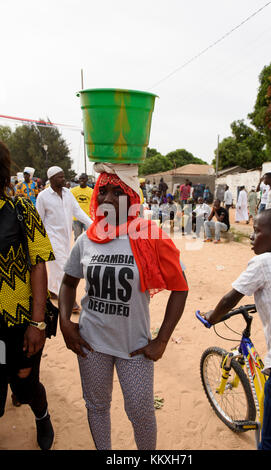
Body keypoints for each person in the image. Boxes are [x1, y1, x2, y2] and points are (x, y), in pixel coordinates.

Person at [58, 168, 188, 450]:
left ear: (133, 198)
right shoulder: (86, 239)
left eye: (118, 192)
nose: (107, 198)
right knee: (97, 406)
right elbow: (68, 283)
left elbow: (180, 286)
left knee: (141, 412)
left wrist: (162, 340)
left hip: (135, 348)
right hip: (91, 344)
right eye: (103, 191)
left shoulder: (149, 236)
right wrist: (65, 323)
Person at [203, 208, 271, 450]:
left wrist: (212, 317)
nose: (251, 237)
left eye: (257, 232)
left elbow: (229, 299)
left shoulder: (262, 262)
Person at [0, 141, 55, 450]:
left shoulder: (21, 209)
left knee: (24, 383)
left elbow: (38, 264)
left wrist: (38, 323)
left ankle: (42, 415)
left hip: (19, 321)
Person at [36, 166, 92, 306]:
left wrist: (93, 225)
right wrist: (39, 241)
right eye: (60, 177)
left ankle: (52, 290)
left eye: (63, 176)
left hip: (66, 237)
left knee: (58, 266)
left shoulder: (68, 193)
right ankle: (68, 300)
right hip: (51, 237)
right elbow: (39, 220)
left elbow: (78, 212)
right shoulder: (43, 196)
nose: (63, 179)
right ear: (51, 179)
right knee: (62, 266)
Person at [70, 173, 94, 241]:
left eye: (83, 178)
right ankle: (77, 251)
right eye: (80, 178)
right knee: (77, 237)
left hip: (87, 217)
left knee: (89, 237)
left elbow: (94, 204)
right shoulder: (73, 191)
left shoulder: (91, 191)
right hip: (76, 218)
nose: (81, 180)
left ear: (86, 180)